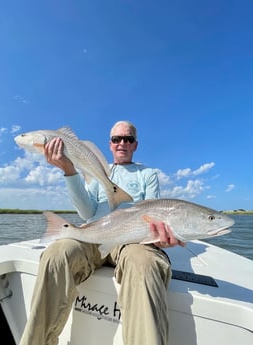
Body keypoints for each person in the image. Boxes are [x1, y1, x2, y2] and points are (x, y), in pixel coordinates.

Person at [19, 120, 184, 345]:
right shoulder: (98, 169)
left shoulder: (147, 173)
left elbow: (153, 211)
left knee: (145, 263)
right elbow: (87, 211)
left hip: (132, 239)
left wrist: (161, 235)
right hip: (93, 235)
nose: (122, 143)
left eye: (128, 139)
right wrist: (69, 170)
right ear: (110, 144)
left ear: (136, 145)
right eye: (117, 139)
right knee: (56, 253)